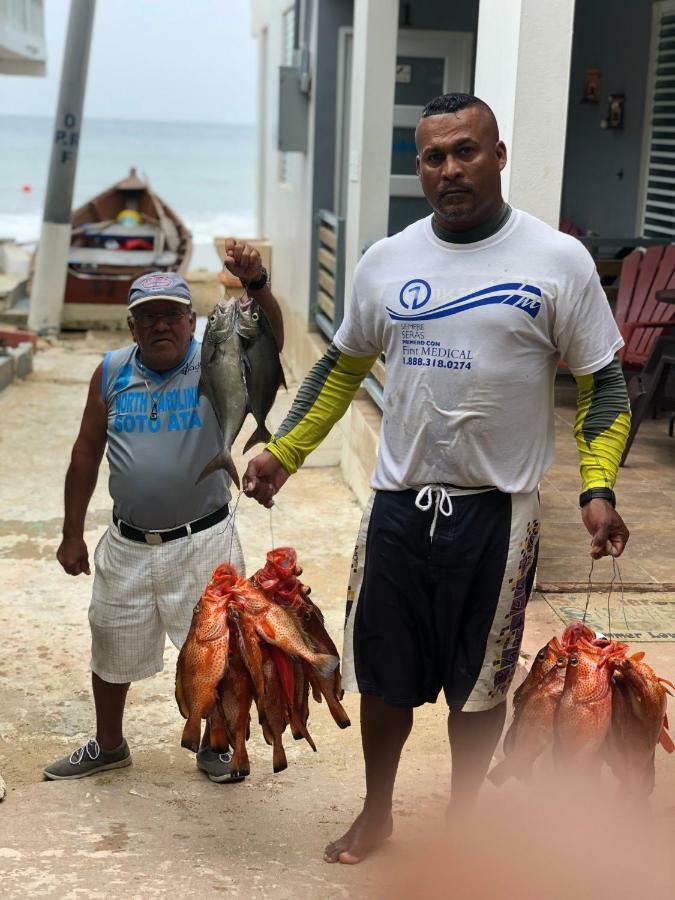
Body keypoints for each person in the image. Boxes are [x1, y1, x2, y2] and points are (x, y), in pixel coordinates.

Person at [243, 94, 631, 863]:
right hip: (396, 505)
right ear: (417, 166)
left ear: (498, 156)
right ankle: (377, 812)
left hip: (498, 515)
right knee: (382, 678)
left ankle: (462, 823)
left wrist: (597, 487)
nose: (450, 169)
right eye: (432, 156)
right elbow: (339, 367)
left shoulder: (557, 261)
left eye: (466, 151)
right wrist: (283, 452)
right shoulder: (387, 260)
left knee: (479, 685)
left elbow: (603, 385)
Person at [44, 240, 283, 784]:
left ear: (191, 320)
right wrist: (71, 534)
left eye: (171, 316)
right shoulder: (109, 372)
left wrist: (257, 283)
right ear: (131, 327)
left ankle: (217, 745)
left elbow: (270, 338)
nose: (160, 327)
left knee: (221, 651)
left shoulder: (217, 358)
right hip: (128, 543)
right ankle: (109, 745)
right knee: (110, 643)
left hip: (204, 540)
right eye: (147, 318)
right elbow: (86, 452)